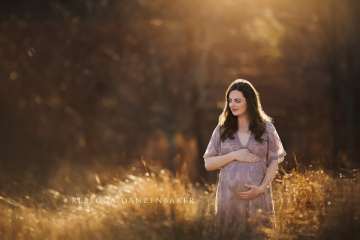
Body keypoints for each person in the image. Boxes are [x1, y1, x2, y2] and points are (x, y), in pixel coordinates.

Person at [203, 79, 287, 239]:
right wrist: (234, 155)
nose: (232, 104)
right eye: (230, 101)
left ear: (249, 101)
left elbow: (274, 162)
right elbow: (208, 163)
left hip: (258, 199)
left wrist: (261, 188)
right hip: (229, 200)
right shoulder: (222, 130)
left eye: (237, 100)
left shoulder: (267, 129)